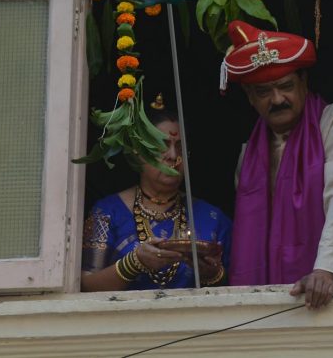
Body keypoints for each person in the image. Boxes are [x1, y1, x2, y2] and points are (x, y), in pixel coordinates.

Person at [222, 20, 333, 309]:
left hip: (328, 292)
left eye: (286, 86)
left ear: (304, 83)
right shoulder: (249, 155)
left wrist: (325, 269)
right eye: (264, 92)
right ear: (251, 98)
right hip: (268, 306)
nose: (278, 99)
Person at [80, 99, 232, 291]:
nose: (172, 156)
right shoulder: (108, 212)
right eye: (162, 145)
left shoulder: (213, 218)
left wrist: (211, 274)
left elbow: (241, 284)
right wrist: (133, 263)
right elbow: (86, 285)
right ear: (138, 152)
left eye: (180, 147)